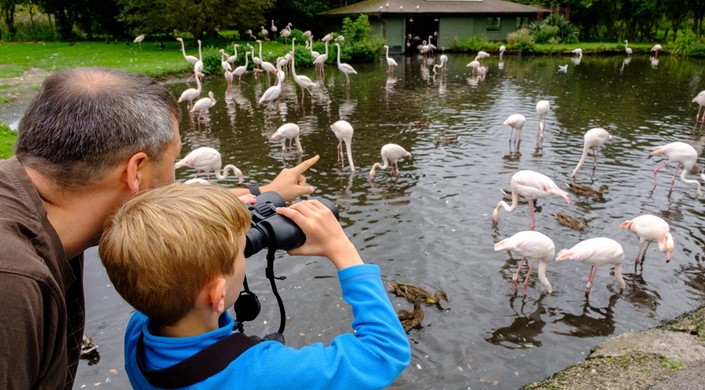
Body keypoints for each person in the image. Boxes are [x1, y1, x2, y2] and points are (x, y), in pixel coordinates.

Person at [0, 67, 318, 389]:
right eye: (173, 159)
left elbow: (167, 206)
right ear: (136, 170)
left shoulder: (30, 199)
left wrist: (266, 193)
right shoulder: (13, 284)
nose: (176, 177)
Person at [98, 183, 411, 389]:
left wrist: (227, 219)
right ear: (218, 295)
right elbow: (385, 351)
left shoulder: (138, 331)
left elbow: (157, 252)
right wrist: (342, 250)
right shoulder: (268, 374)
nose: (246, 252)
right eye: (241, 252)